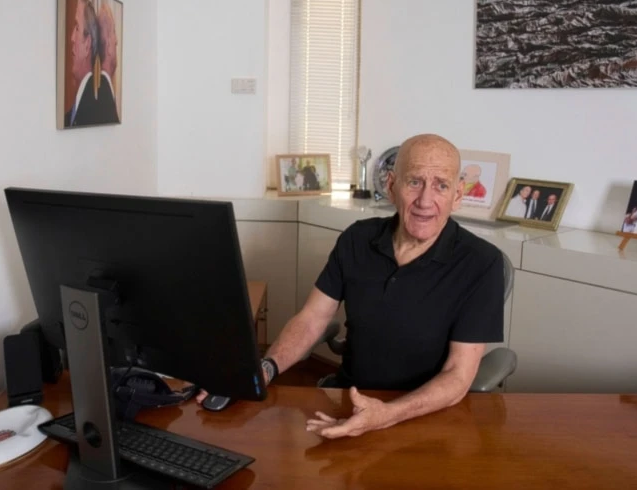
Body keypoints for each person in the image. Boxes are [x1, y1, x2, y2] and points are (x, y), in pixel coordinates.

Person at [200, 134, 504, 439]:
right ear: (391, 186)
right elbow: (312, 318)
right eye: (414, 182)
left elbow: (458, 375)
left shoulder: (482, 263)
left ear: (458, 195)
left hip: (424, 416)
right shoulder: (357, 239)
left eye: (441, 185)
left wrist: (386, 415)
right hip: (351, 400)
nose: (425, 201)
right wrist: (264, 369)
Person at [68, 0, 120, 126]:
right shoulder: (102, 103)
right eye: (114, 32)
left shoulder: (94, 101)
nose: (117, 40)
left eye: (77, 28)